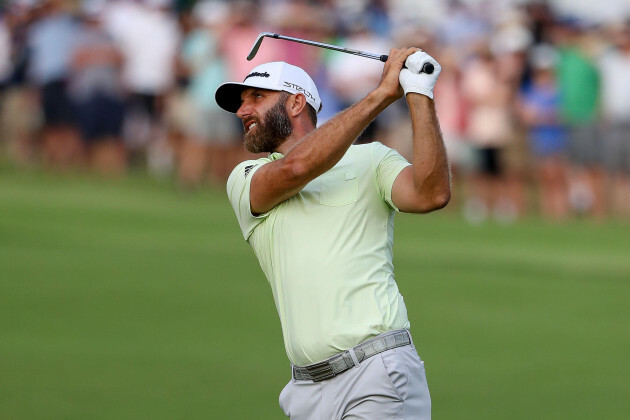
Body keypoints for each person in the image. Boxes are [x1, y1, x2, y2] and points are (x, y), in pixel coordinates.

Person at [216, 47, 450, 419]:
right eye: (242, 102)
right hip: (305, 393)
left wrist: (419, 93)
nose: (243, 111)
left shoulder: (373, 158)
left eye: (257, 97)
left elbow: (431, 193)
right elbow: (297, 169)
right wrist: (380, 96)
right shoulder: (246, 178)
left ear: (296, 103)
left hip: (376, 373)